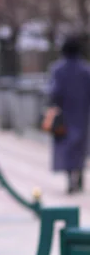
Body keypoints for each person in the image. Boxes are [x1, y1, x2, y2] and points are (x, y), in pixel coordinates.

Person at [48, 35, 90, 194]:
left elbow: (54, 92)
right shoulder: (85, 69)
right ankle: (78, 172)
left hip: (64, 113)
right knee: (80, 146)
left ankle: (69, 176)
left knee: (66, 146)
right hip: (82, 113)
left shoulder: (58, 69)